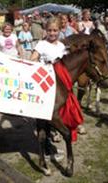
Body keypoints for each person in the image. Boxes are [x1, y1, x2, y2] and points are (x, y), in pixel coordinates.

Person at [30, 17, 67, 162]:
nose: (52, 33)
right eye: (50, 30)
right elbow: (32, 59)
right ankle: (46, 150)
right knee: (44, 120)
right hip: (44, 85)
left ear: (59, 30)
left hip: (58, 86)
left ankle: (47, 147)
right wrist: (45, 63)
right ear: (46, 30)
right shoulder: (41, 44)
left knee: (52, 118)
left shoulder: (61, 46)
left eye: (55, 30)